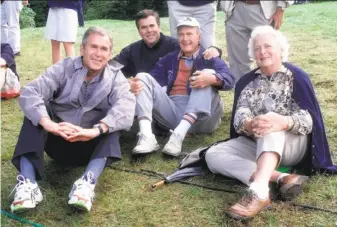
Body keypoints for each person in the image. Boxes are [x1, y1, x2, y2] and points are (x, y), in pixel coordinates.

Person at [204, 25, 337, 220]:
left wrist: (282, 122)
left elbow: (309, 121)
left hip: (292, 146)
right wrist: (250, 124)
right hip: (257, 142)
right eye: (257, 48)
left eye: (267, 46)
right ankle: (280, 177)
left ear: (280, 50)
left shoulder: (296, 77)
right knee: (213, 155)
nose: (262, 51)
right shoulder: (247, 82)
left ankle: (258, 192)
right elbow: (239, 117)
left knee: (270, 125)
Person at [9, 27, 135, 213]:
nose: (98, 54)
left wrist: (94, 131)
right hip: (56, 141)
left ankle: (86, 184)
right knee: (34, 115)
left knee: (112, 125)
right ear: (82, 49)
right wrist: (48, 123)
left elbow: (126, 106)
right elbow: (31, 92)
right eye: (94, 47)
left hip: (90, 148)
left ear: (109, 54)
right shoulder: (63, 68)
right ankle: (28, 185)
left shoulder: (116, 78)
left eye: (104, 49)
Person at [131, 17, 234, 157]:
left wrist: (212, 79)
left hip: (204, 117)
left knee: (205, 75)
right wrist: (134, 85)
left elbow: (230, 80)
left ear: (199, 36)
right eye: (181, 34)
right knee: (142, 77)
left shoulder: (209, 57)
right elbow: (151, 83)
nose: (185, 38)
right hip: (173, 114)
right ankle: (146, 136)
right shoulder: (169, 59)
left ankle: (179, 135)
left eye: (189, 34)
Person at [113, 9, 221, 79]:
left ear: (158, 26)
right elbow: (111, 68)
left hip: (174, 96)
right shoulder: (132, 51)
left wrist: (215, 49)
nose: (149, 30)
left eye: (152, 26)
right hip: (144, 96)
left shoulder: (176, 46)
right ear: (139, 31)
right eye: (144, 27)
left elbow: (203, 55)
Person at [221, 0, 294, 81]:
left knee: (270, 57)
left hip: (263, 10)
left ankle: (279, 89)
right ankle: (242, 91)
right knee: (238, 65)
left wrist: (281, 7)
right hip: (234, 8)